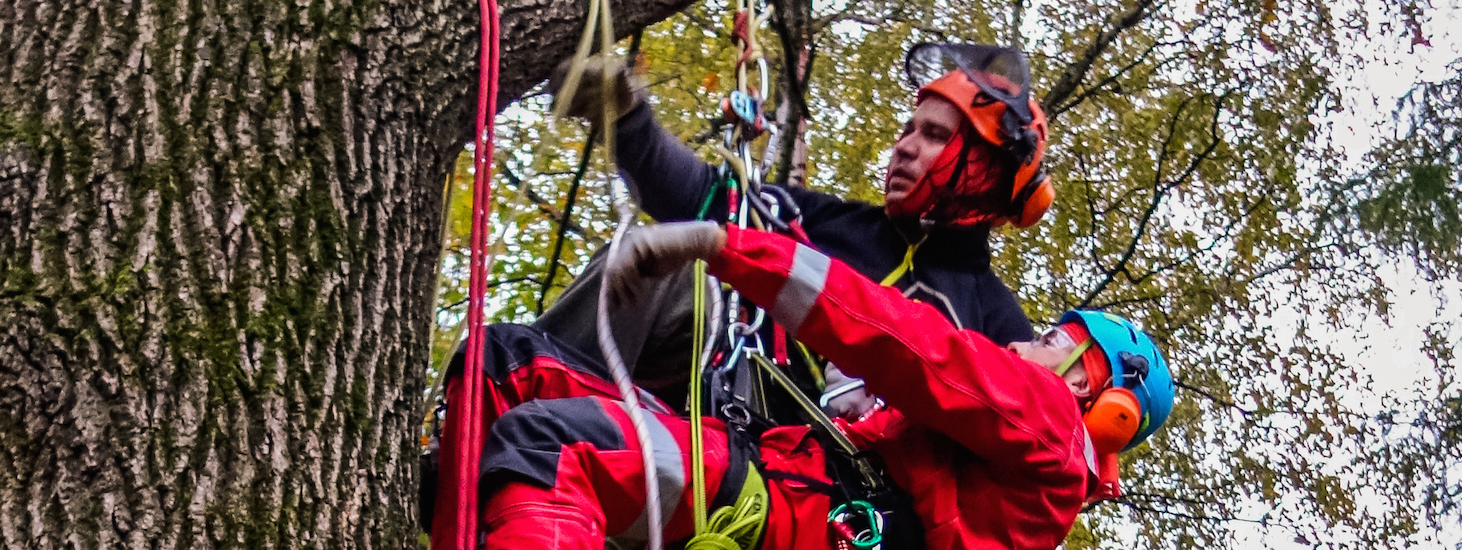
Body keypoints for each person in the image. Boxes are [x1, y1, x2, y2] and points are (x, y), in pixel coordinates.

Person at [453, 221, 1176, 550]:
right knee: (508, 363)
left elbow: (915, 347)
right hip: (774, 482)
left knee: (553, 446)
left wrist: (732, 250)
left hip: (786, 512)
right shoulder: (988, 458)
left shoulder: (1049, 425)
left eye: (1051, 341)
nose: (1023, 341)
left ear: (1093, 391)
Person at [541, 43, 1057, 415]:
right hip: (705, 423)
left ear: (985, 170)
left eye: (934, 135)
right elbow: (702, 198)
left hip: (827, 505)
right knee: (673, 263)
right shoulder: (830, 224)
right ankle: (521, 402)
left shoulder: (998, 326)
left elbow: (1012, 448)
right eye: (907, 130)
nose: (902, 147)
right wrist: (628, 120)